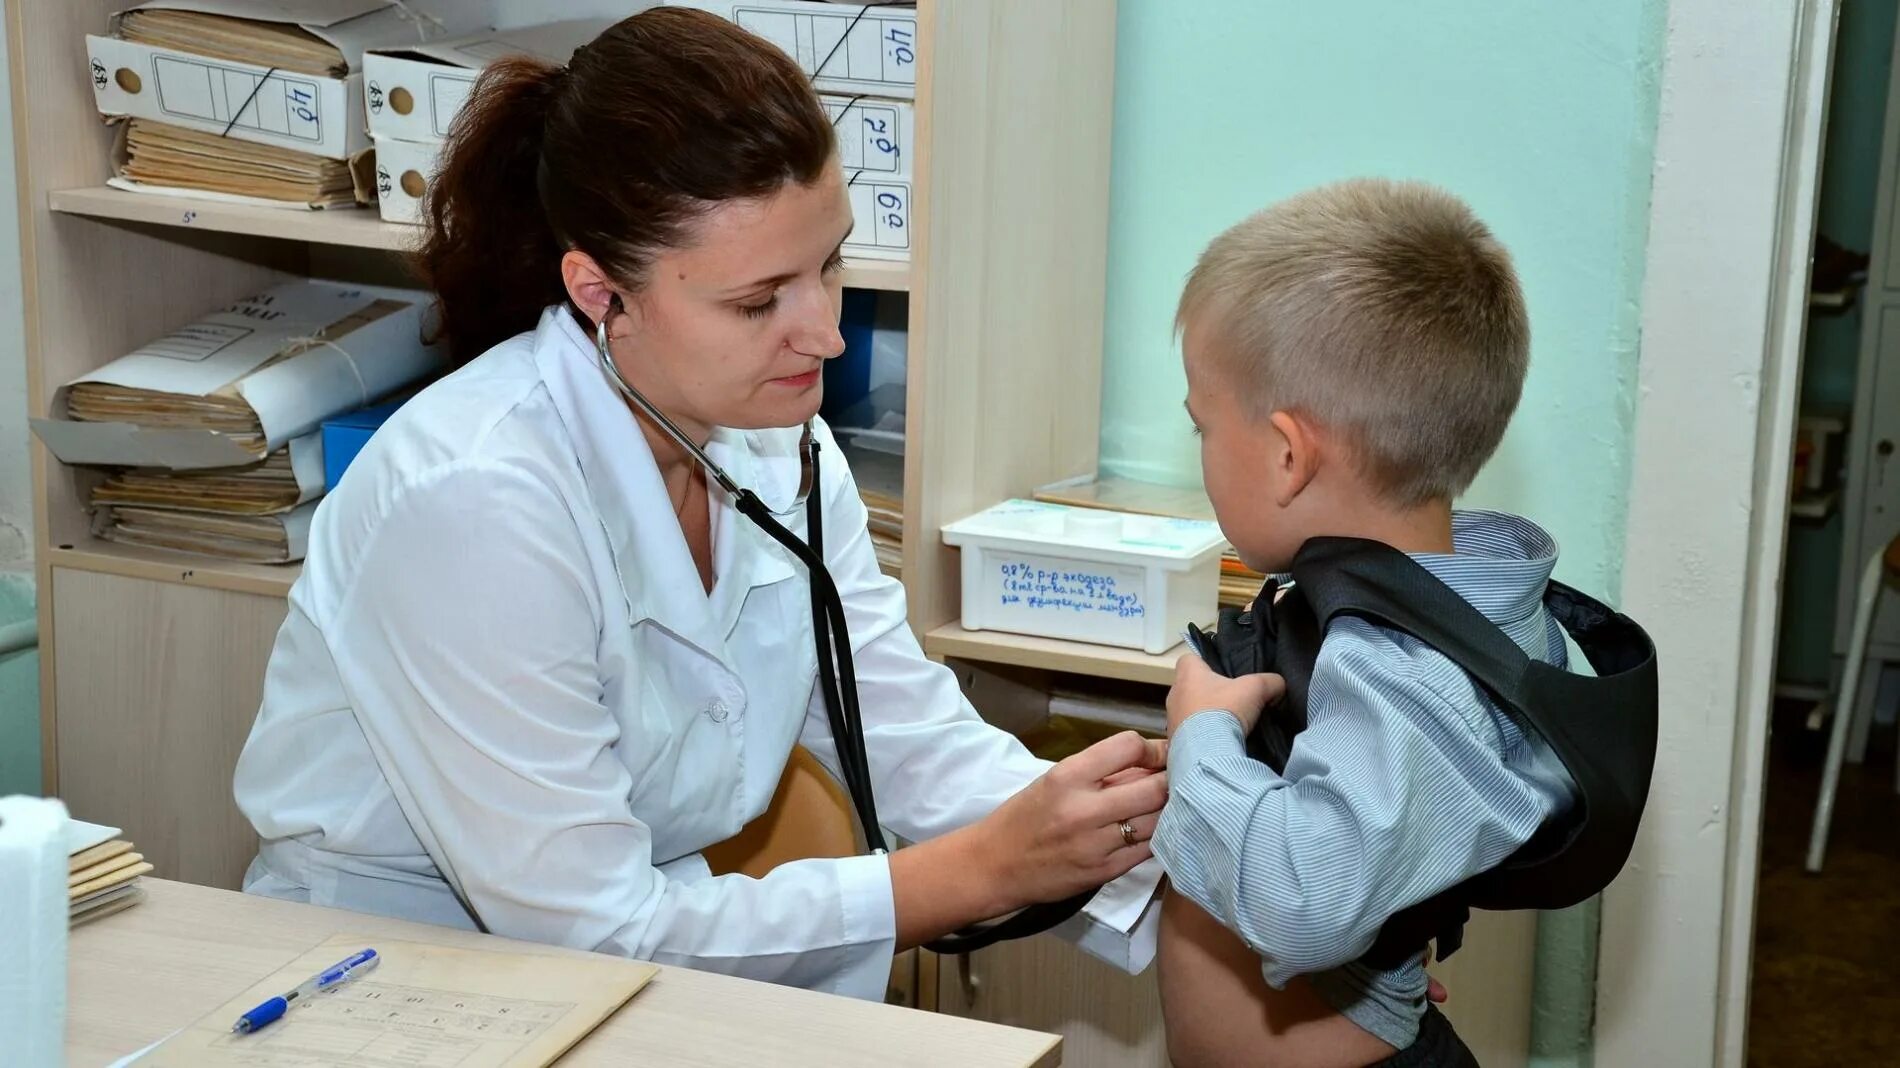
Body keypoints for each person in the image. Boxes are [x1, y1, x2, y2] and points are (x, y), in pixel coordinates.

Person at [231, 7, 1165, 1001]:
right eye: (758, 302)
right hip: (391, 981)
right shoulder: (475, 499)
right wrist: (971, 874)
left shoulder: (780, 446)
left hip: (638, 970)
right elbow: (592, 929)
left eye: (831, 266)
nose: (824, 336)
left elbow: (903, 737)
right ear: (599, 291)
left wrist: (1172, 851)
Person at [1152, 178, 1574, 1067]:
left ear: (1286, 454)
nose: (1200, 453)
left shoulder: (1408, 667)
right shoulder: (1440, 611)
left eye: (1201, 427)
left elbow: (1304, 901)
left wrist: (1201, 741)